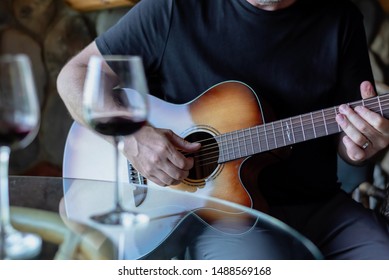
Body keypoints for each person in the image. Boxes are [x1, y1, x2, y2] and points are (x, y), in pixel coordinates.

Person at [57, 0, 389, 259]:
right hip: (224, 218)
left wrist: (362, 146)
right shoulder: (172, 8)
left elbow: (350, 139)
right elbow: (76, 74)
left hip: (320, 207)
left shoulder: (340, 17)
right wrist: (130, 137)